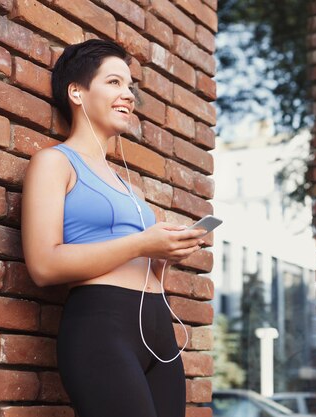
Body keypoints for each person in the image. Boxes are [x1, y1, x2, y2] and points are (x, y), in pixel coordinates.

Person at [21, 39, 205, 417]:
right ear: (76, 92)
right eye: (114, 83)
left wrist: (165, 253)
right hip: (102, 328)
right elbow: (43, 265)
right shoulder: (54, 163)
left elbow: (139, 259)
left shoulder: (130, 188)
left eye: (130, 86)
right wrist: (141, 243)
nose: (128, 95)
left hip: (159, 331)